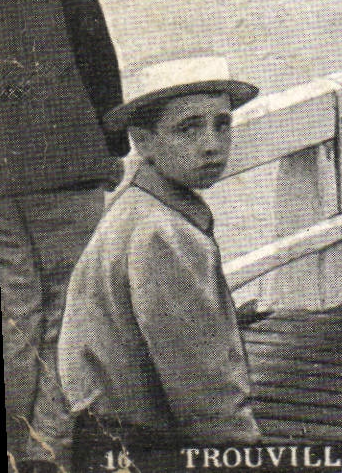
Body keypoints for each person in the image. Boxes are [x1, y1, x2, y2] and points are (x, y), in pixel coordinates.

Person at [0, 0, 128, 473]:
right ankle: (45, 450)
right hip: (63, 162)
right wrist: (114, 143)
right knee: (69, 312)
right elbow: (97, 54)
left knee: (13, 318)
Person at [60, 57, 263, 458]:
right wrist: (242, 450)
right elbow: (198, 378)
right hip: (139, 443)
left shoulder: (140, 204)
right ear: (143, 142)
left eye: (222, 124)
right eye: (188, 129)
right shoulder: (162, 233)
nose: (212, 144)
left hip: (107, 427)